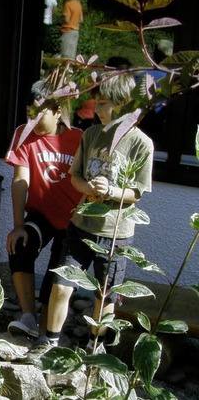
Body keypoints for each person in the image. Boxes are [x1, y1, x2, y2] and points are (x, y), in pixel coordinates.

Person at [40, 72, 154, 352]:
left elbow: (137, 193)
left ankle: (95, 346)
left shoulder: (141, 143)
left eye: (103, 104)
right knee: (62, 285)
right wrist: (88, 186)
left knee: (106, 295)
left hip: (115, 235)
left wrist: (111, 192)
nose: (97, 110)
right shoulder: (90, 135)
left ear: (125, 105)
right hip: (80, 226)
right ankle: (48, 342)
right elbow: (74, 176)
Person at [4, 80, 83, 340]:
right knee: (20, 246)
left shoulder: (79, 138)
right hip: (41, 215)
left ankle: (48, 332)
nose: (34, 119)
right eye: (30, 113)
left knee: (56, 276)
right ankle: (28, 314)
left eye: (40, 113)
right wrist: (18, 225)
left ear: (57, 111)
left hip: (73, 219)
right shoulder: (23, 133)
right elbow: (20, 181)